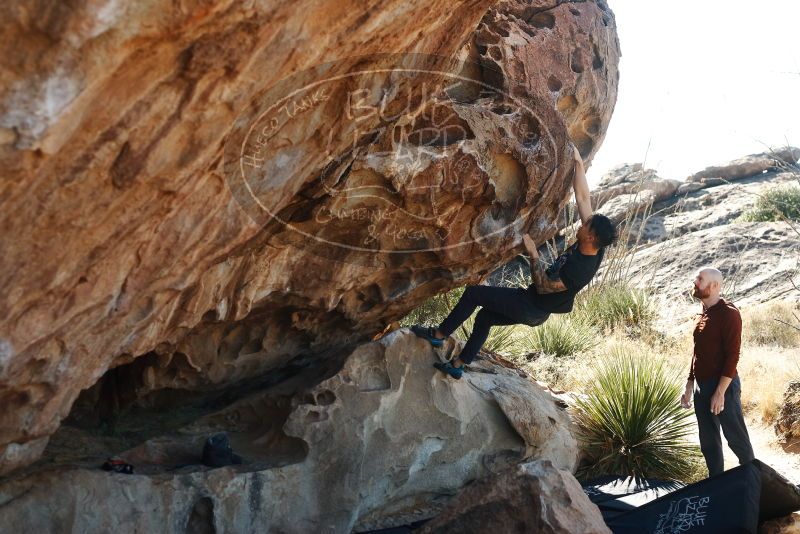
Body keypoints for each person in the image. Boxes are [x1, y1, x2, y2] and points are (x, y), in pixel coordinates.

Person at [411, 143, 617, 379]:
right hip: (533, 306)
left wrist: (533, 253)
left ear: (591, 237)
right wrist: (578, 164)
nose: (582, 223)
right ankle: (458, 364)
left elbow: (544, 286)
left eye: (586, 225)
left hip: (532, 306)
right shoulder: (594, 245)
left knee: (473, 294)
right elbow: (583, 197)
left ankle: (438, 336)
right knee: (485, 317)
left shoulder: (582, 268)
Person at [680, 267, 755, 477]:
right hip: (701, 387)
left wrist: (720, 392)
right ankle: (716, 484)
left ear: (714, 286)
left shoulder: (729, 314)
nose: (695, 282)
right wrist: (689, 385)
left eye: (700, 279)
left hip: (723, 387)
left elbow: (733, 356)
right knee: (708, 441)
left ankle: (753, 484)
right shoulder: (703, 313)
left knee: (736, 439)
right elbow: (698, 353)